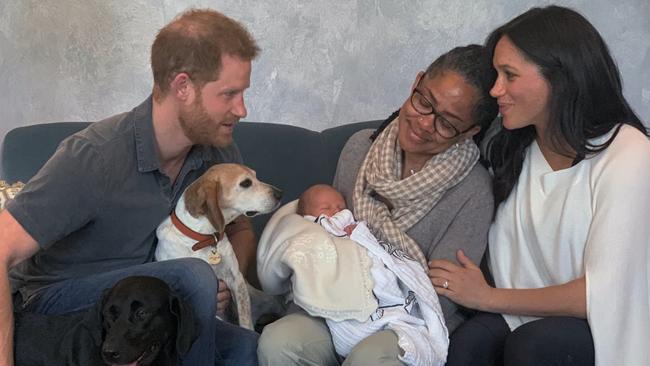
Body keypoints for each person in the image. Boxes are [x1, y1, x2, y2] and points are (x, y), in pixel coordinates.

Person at [1, 9, 262, 366]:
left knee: (245, 347)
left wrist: (225, 283)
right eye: (229, 94)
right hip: (60, 304)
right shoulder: (94, 157)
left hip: (145, 310)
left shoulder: (219, 152)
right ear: (183, 87)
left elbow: (241, 228)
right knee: (191, 275)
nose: (242, 109)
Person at [429, 6, 650, 366]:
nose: (495, 89)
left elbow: (601, 295)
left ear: (559, 78)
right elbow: (428, 126)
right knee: (468, 343)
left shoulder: (629, 154)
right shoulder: (509, 148)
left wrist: (485, 297)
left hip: (604, 327)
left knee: (537, 345)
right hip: (521, 317)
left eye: (509, 75)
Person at [258, 44, 499, 365]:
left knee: (369, 359)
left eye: (447, 123)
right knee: (279, 341)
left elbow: (441, 293)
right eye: (425, 101)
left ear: (468, 132)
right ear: (416, 83)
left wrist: (374, 312)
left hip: (406, 318)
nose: (425, 123)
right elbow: (333, 236)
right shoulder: (360, 147)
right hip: (339, 300)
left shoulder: (473, 189)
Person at [295, 184, 448, 366]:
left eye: (341, 207)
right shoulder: (312, 230)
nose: (336, 211)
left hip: (387, 307)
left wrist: (361, 236)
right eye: (326, 208)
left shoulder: (357, 226)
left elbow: (379, 253)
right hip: (342, 294)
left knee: (383, 280)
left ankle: (392, 307)